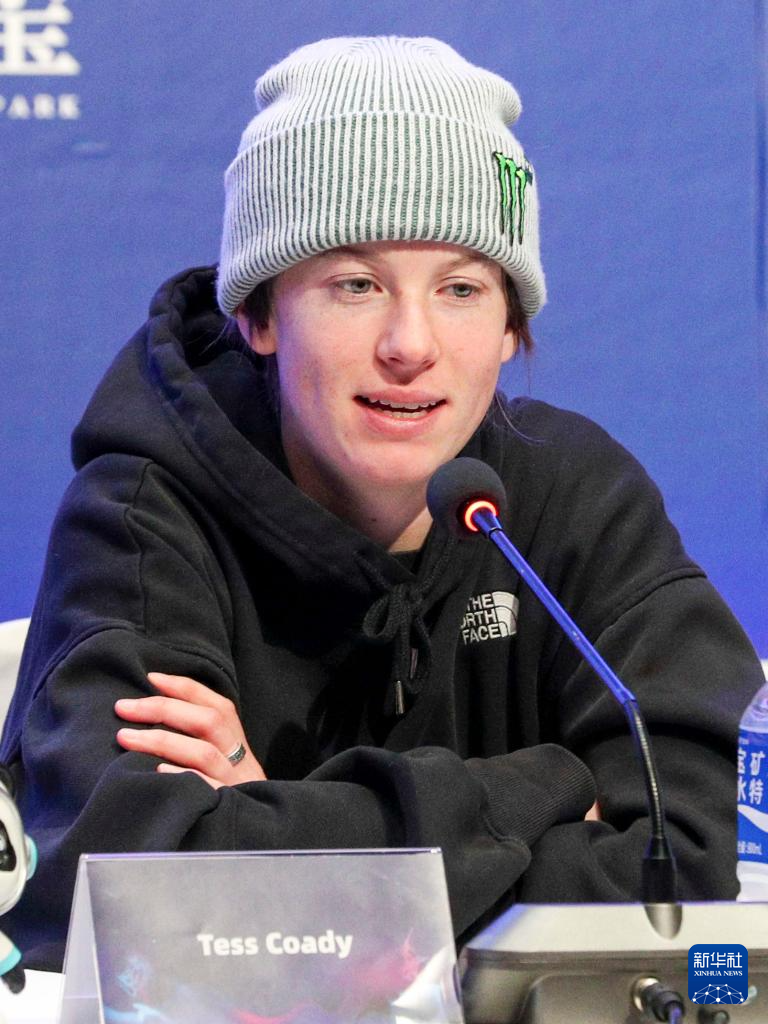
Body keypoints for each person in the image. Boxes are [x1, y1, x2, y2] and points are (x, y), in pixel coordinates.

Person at [1, 36, 763, 973]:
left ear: (511, 324)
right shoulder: (143, 513)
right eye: (355, 285)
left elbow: (705, 858)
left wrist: (269, 826)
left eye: (461, 288)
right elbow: (116, 893)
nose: (410, 344)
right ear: (259, 316)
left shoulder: (576, 494)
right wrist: (544, 789)